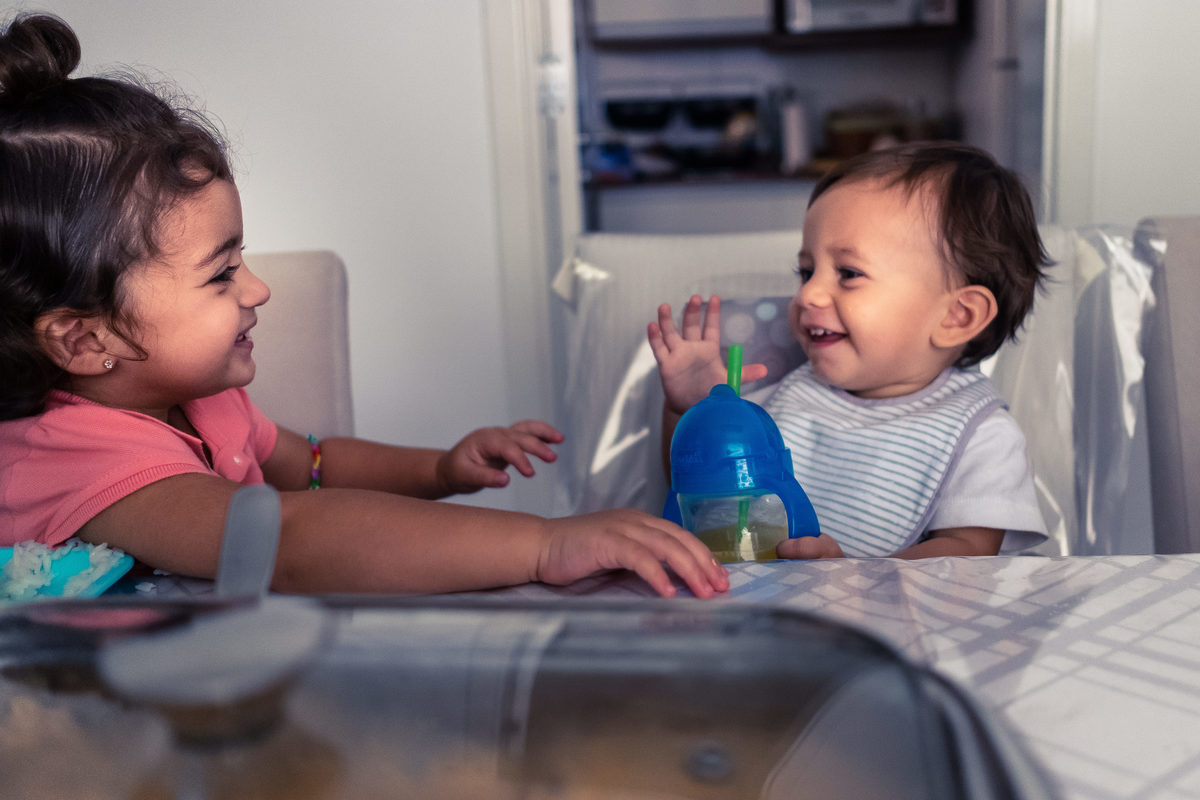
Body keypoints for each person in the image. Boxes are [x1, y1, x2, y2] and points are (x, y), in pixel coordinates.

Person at [0, 13, 729, 598]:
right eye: (221, 275)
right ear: (81, 339)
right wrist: (544, 544)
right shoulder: (77, 459)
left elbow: (314, 467)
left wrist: (440, 470)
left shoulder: (200, 401)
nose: (258, 289)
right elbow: (290, 541)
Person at [648, 142, 1049, 559]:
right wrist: (691, 411)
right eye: (806, 271)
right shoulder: (789, 400)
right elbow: (701, 495)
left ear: (957, 317)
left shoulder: (982, 437)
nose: (808, 293)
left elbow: (967, 558)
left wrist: (853, 580)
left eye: (849, 273)